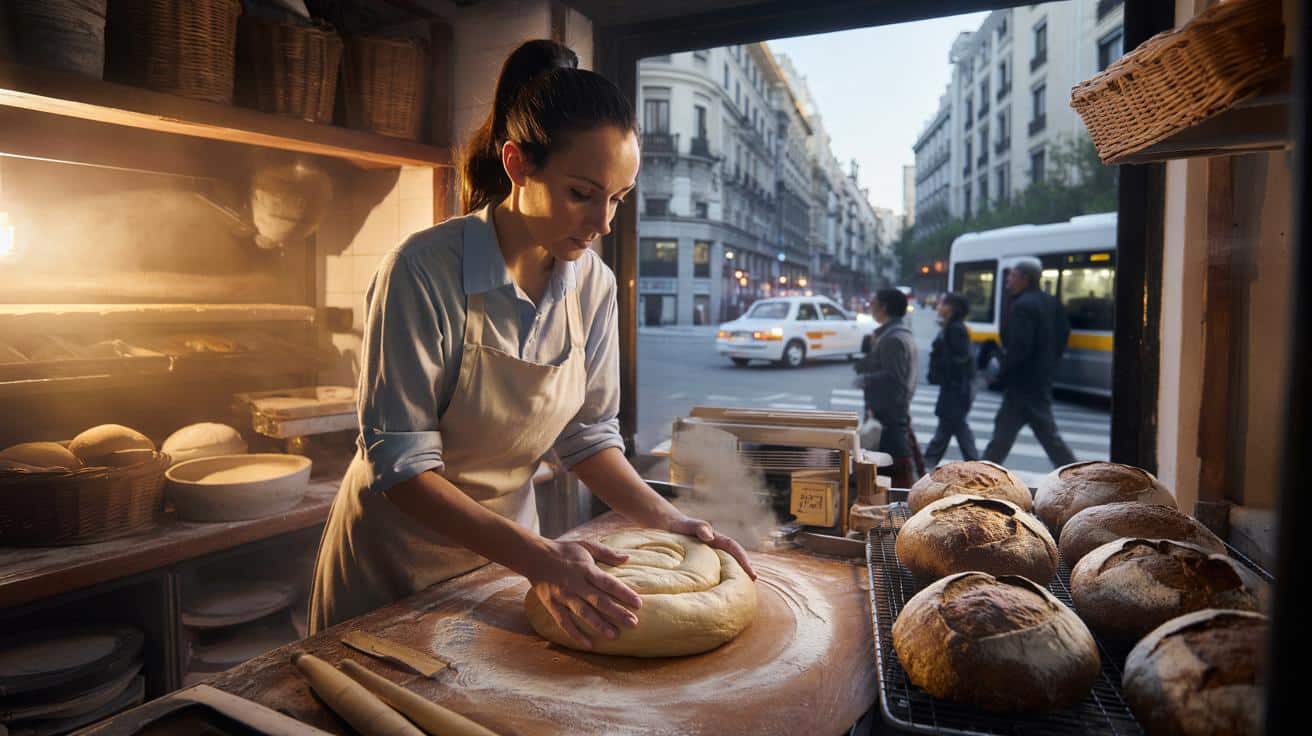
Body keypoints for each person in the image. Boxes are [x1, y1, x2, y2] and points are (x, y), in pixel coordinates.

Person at [309, 40, 755, 643]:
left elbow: (588, 437)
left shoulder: (592, 284)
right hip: (391, 565)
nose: (602, 224)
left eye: (618, 199)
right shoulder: (421, 271)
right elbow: (403, 467)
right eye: (582, 193)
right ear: (518, 165)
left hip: (506, 562)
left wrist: (672, 519)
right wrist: (540, 557)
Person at [983, 257, 1078, 467]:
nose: (1009, 280)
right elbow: (1064, 333)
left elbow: (1020, 348)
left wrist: (1002, 371)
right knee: (1048, 440)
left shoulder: (1022, 306)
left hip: (1021, 384)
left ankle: (980, 479)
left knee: (1001, 441)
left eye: (1013, 275)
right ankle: (1075, 474)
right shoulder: (1052, 301)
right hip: (1040, 380)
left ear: (1026, 278)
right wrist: (1051, 362)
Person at [854, 288, 921, 488]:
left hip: (888, 414)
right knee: (888, 466)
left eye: (873, 303)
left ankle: (902, 505)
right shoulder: (893, 333)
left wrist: (866, 379)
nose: (870, 307)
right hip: (890, 411)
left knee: (893, 467)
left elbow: (895, 378)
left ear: (883, 307)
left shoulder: (894, 338)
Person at [923, 293, 980, 467]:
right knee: (951, 428)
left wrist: (941, 370)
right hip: (953, 388)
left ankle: (926, 464)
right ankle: (975, 465)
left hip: (955, 388)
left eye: (942, 303)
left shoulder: (955, 328)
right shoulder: (952, 326)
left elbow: (959, 359)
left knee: (952, 428)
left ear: (951, 308)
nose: (938, 306)